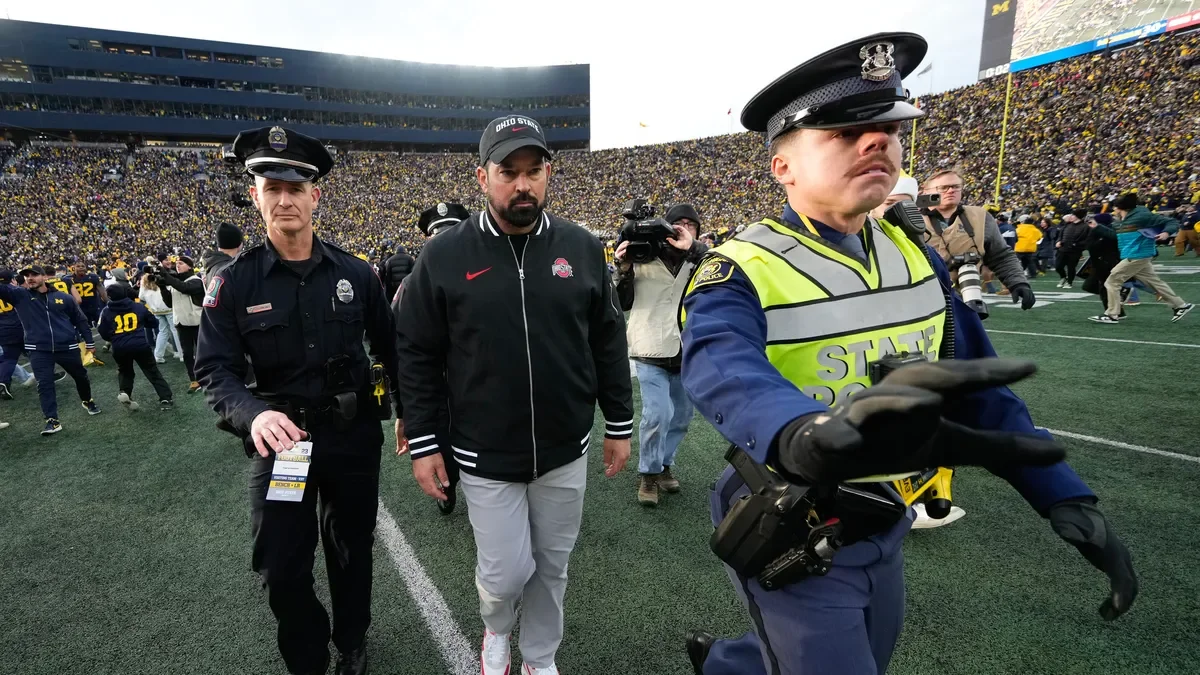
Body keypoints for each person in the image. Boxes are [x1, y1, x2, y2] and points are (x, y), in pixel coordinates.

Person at [677, 33, 1138, 675]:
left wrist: (1064, 497)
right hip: (793, 517)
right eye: (844, 131)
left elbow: (976, 385)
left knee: (870, 652)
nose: (878, 141)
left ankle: (726, 664)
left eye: (889, 128)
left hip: (884, 510)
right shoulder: (739, 269)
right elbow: (722, 367)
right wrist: (801, 434)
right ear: (783, 167)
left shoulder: (913, 255)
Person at [395, 115, 633, 675]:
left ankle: (540, 657)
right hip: (483, 449)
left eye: (533, 171)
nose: (522, 184)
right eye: (508, 172)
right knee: (504, 574)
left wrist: (619, 424)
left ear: (548, 173)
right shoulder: (446, 254)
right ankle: (497, 630)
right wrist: (426, 440)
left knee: (553, 565)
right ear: (483, 177)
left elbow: (607, 342)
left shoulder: (580, 246)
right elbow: (417, 352)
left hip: (564, 445)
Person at [195, 125, 398, 675]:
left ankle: (351, 640)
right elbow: (214, 368)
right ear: (256, 195)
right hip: (286, 446)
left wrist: (410, 416)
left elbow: (393, 348)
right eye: (271, 187)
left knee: (351, 549)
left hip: (352, 440)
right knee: (281, 565)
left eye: (296, 187)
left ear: (315, 195)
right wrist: (254, 413)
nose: (284, 198)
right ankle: (308, 656)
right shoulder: (234, 283)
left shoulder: (358, 274)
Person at [615, 202, 708, 506]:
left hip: (686, 348)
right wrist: (624, 268)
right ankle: (649, 475)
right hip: (649, 346)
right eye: (676, 223)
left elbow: (720, 269)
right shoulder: (642, 255)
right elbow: (622, 302)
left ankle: (664, 464)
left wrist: (693, 247)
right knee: (658, 414)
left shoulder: (700, 258)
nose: (683, 227)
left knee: (681, 416)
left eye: (690, 223)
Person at [391, 201, 471, 516]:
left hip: (478, 390)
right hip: (437, 393)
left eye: (450, 233)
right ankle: (448, 488)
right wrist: (404, 410)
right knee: (446, 462)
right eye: (438, 235)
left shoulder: (487, 278)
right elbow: (400, 352)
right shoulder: (411, 286)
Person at [0, 265, 101, 435]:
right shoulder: (19, 296)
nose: (30, 278)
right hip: (38, 349)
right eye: (27, 276)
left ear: (45, 277)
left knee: (81, 376)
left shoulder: (63, 297)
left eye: (34, 275)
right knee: (44, 384)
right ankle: (52, 421)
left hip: (66, 346)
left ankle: (87, 400)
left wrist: (89, 342)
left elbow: (80, 320)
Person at [922, 169, 1035, 309]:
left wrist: (1018, 283)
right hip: (921, 296)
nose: (951, 191)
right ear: (925, 191)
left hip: (966, 296)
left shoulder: (980, 216)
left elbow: (1000, 255)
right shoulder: (911, 217)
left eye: (956, 186)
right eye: (944, 187)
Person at [1092, 192, 1193, 324]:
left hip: (1138, 255)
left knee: (1112, 281)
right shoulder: (1122, 221)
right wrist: (1097, 227)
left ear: (1119, 208)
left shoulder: (1142, 216)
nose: (1113, 211)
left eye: (1114, 208)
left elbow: (1171, 221)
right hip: (1133, 255)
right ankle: (1180, 305)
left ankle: (1112, 314)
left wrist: (1166, 232)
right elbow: (1115, 236)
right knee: (1155, 283)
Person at [97, 283, 174, 411]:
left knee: (125, 371)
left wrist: (115, 338)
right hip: (140, 345)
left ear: (110, 296)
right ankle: (166, 398)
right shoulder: (138, 306)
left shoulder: (106, 311)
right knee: (152, 371)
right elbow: (153, 322)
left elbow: (103, 332)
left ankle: (125, 392)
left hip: (120, 346)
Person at [153, 256, 205, 392]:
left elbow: (185, 288)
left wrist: (165, 275)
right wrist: (162, 287)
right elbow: (170, 303)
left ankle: (209, 376)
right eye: (176, 264)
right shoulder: (176, 282)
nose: (178, 266)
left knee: (203, 352)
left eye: (181, 263)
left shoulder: (196, 280)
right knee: (187, 354)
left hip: (197, 322)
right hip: (182, 323)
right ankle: (194, 380)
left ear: (189, 266)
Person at [1055, 209, 1090, 288]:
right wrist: (1058, 241)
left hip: (1075, 251)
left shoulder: (1085, 227)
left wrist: (1077, 245)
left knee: (1071, 267)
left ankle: (1069, 282)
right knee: (1058, 266)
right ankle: (1063, 277)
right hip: (1062, 249)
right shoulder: (1067, 225)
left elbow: (1087, 240)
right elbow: (1061, 235)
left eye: (1073, 215)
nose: (1071, 216)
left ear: (1078, 216)